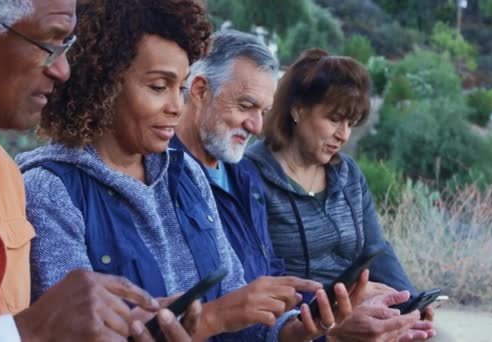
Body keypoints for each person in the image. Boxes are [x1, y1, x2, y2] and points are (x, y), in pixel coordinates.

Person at [17, 1, 345, 341]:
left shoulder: (184, 171)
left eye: (182, 88)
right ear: (102, 84)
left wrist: (289, 329)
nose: (176, 107)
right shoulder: (49, 190)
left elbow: (235, 295)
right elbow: (76, 334)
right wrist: (215, 317)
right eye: (159, 87)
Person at [0, 1, 197, 341]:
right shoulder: (44, 182)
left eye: (67, 46)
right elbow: (17, 331)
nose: (63, 70)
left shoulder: (2, 173)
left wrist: (117, 326)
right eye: (50, 43)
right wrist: (30, 330)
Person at [175, 32, 435, 342]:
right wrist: (335, 322)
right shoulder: (242, 172)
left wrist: (406, 303)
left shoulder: (243, 178)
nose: (256, 126)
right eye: (246, 105)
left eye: (263, 112)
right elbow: (226, 300)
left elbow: (269, 273)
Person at [245, 49, 436, 337]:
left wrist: (408, 302)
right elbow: (261, 276)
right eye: (334, 119)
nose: (343, 135)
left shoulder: (347, 174)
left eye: (351, 123)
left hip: (355, 314)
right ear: (297, 109)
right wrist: (342, 310)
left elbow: (377, 250)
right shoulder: (250, 175)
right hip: (297, 327)